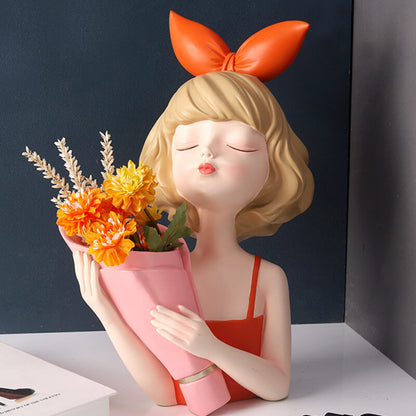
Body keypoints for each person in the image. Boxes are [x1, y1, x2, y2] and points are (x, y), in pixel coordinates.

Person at [72, 11, 314, 407]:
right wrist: (105, 309)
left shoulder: (269, 280)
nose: (207, 153)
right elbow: (166, 395)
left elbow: (277, 387)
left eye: (237, 144)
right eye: (187, 144)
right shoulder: (159, 272)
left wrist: (210, 346)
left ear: (273, 168)